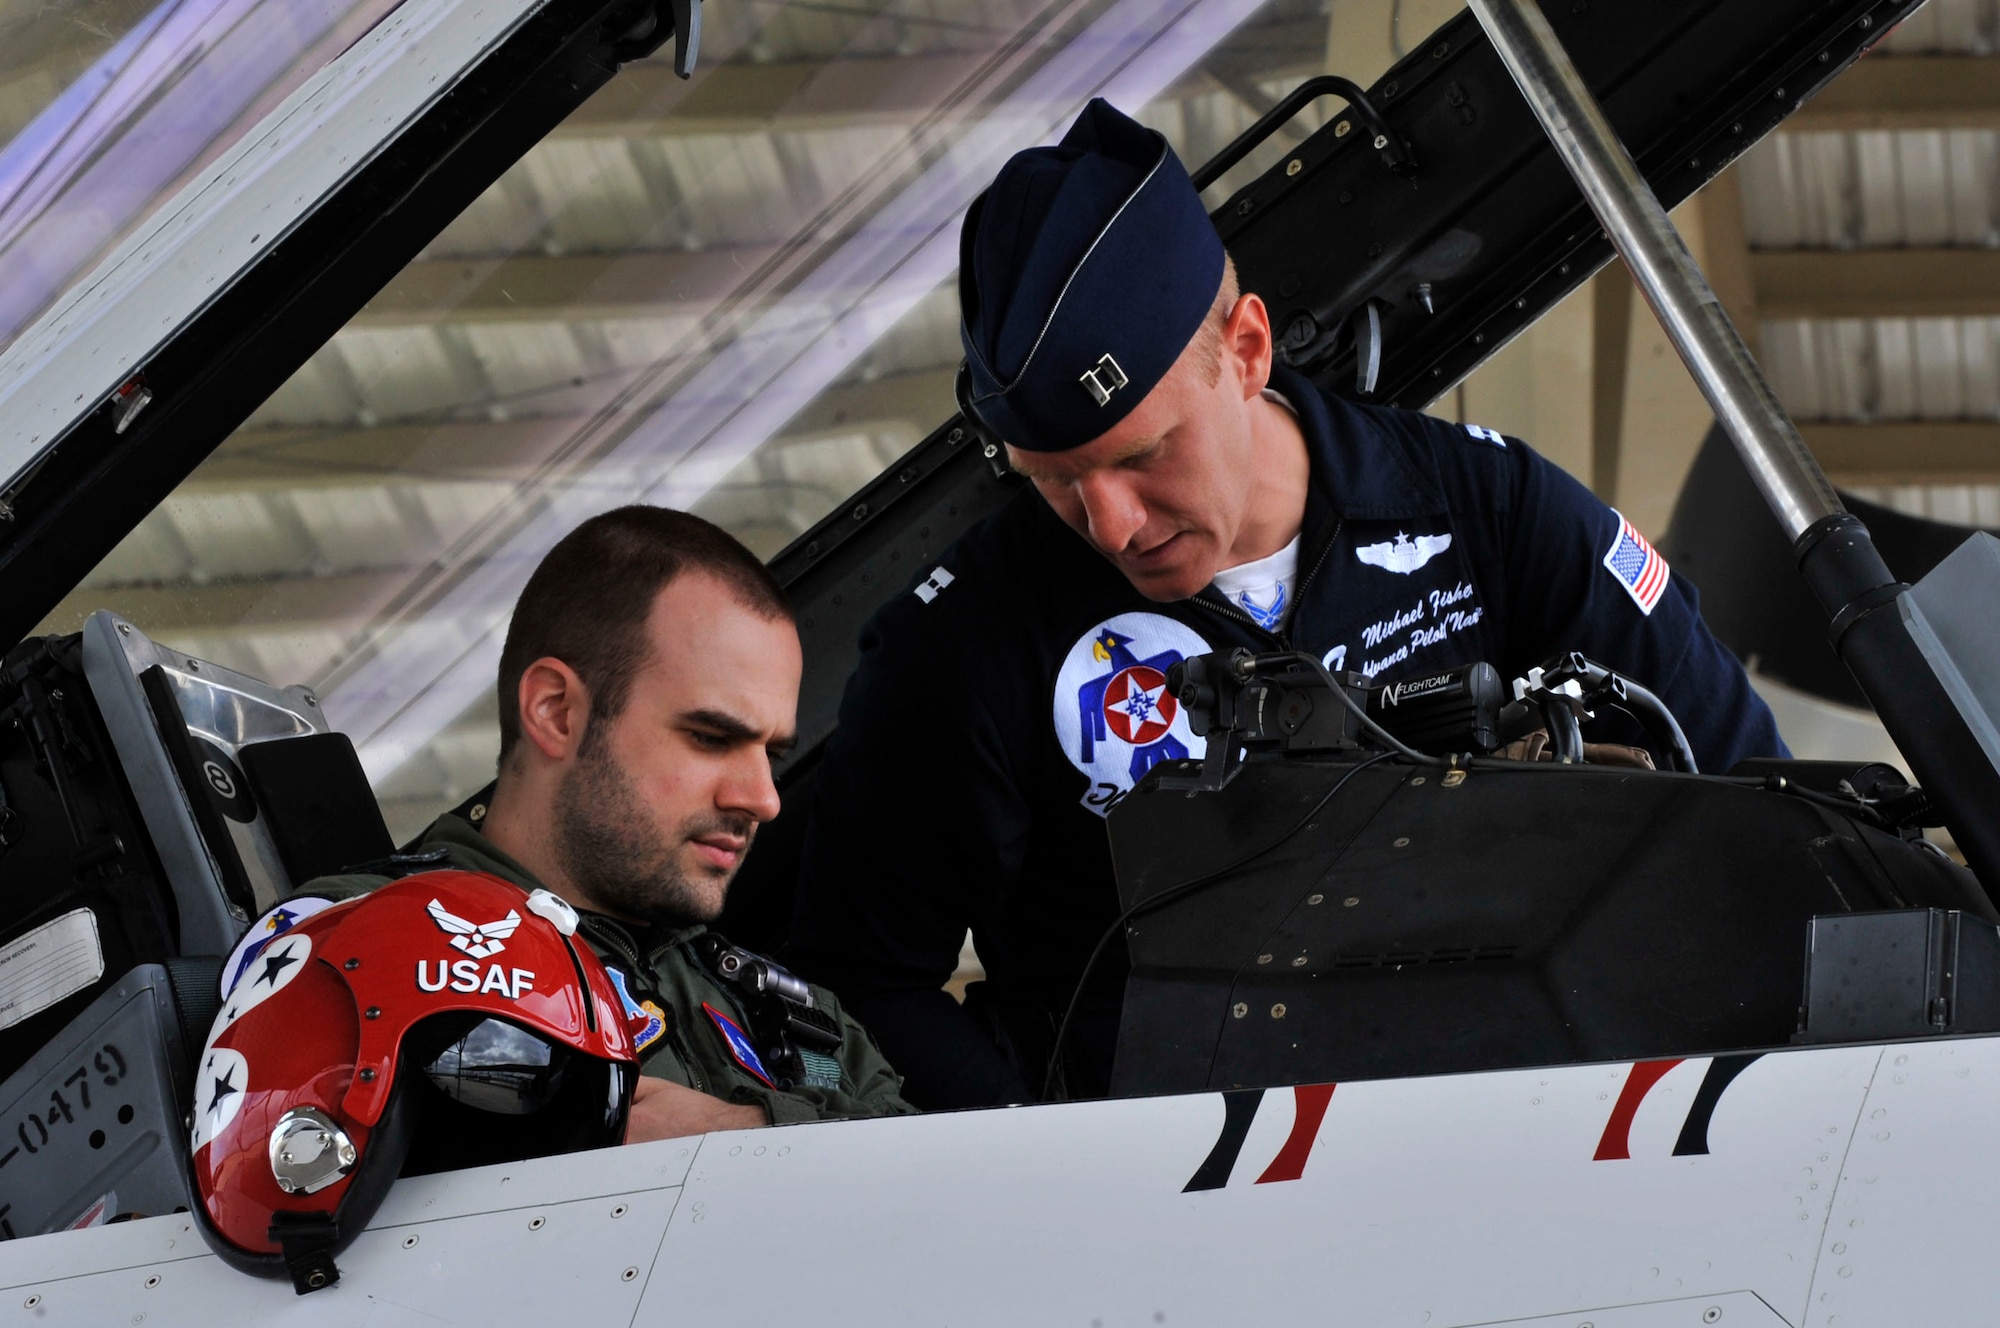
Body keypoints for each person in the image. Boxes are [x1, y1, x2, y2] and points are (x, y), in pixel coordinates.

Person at [788, 98, 1786, 1111]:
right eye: (1050, 479)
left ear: (1248, 347)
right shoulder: (962, 642)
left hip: (1510, 1132)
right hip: (1163, 1208)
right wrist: (1049, 1149)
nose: (1111, 523)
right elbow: (857, 979)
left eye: (1141, 454)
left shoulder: (1484, 508)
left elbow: (1762, 806)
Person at [297, 506, 914, 1139]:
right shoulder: (357, 947)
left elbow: (926, 1169)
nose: (763, 798)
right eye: (709, 737)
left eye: (771, 754)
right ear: (557, 712)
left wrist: (746, 1129)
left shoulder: (791, 1014)